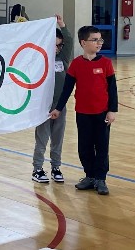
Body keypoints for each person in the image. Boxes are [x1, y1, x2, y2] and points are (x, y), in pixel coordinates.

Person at [50, 26, 117, 195]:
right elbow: (66, 89)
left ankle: (101, 178)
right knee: (85, 146)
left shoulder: (106, 64)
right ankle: (90, 176)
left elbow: (112, 89)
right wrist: (58, 108)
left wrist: (112, 110)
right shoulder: (76, 65)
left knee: (101, 146)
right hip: (83, 114)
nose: (99, 43)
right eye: (94, 40)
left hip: (102, 114)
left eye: (100, 39)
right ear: (83, 42)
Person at [32, 14, 72, 184]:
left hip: (60, 106)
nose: (56, 48)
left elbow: (69, 41)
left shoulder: (62, 59)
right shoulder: (39, 60)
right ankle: (38, 169)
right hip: (44, 107)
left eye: (59, 45)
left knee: (58, 139)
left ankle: (56, 167)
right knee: (42, 139)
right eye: (53, 44)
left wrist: (62, 25)